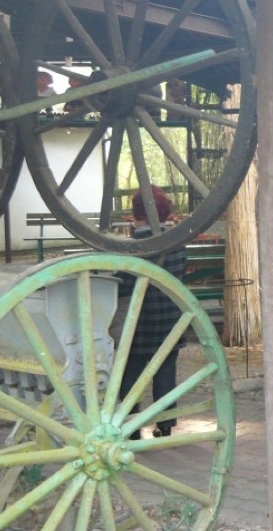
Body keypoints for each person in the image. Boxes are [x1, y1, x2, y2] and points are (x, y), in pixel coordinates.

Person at [118, 186, 187, 439]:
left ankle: (131, 427)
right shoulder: (176, 245)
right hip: (170, 319)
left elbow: (123, 286)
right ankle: (166, 425)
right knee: (165, 372)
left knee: (131, 375)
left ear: (137, 213)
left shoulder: (133, 247)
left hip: (138, 322)